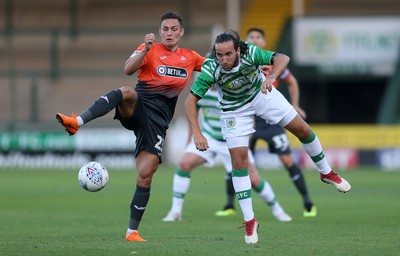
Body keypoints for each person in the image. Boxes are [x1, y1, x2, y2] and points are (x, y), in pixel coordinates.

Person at [184, 30, 351, 244]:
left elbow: (282, 58)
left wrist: (272, 75)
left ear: (238, 50)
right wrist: (197, 133)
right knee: (239, 162)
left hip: (261, 95)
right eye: (219, 55)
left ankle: (326, 173)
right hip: (234, 110)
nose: (224, 60)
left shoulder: (250, 52)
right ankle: (250, 220)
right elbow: (190, 102)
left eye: (228, 54)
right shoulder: (210, 67)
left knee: (304, 130)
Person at [55, 11, 205, 242]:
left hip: (158, 122)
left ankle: (132, 232)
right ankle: (77, 122)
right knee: (126, 91)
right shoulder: (150, 49)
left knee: (145, 175)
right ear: (159, 31)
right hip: (139, 106)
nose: (169, 33)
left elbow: (215, 68)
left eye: (174, 29)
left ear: (181, 32)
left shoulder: (191, 57)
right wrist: (144, 50)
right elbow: (127, 69)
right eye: (165, 29)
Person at [163, 86, 292, 223]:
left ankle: (277, 210)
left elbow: (249, 115)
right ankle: (175, 211)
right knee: (184, 164)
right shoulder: (201, 91)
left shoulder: (231, 89)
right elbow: (192, 111)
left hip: (233, 140)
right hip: (210, 137)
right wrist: (194, 135)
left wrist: (246, 140)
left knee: (254, 180)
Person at [245, 27, 316, 217]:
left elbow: (291, 81)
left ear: (263, 43)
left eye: (258, 37)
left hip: (271, 120)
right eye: (251, 37)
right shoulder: (241, 61)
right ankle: (229, 205)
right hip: (250, 120)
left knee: (286, 159)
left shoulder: (272, 62)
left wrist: (295, 104)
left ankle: (307, 201)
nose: (254, 40)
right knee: (239, 160)